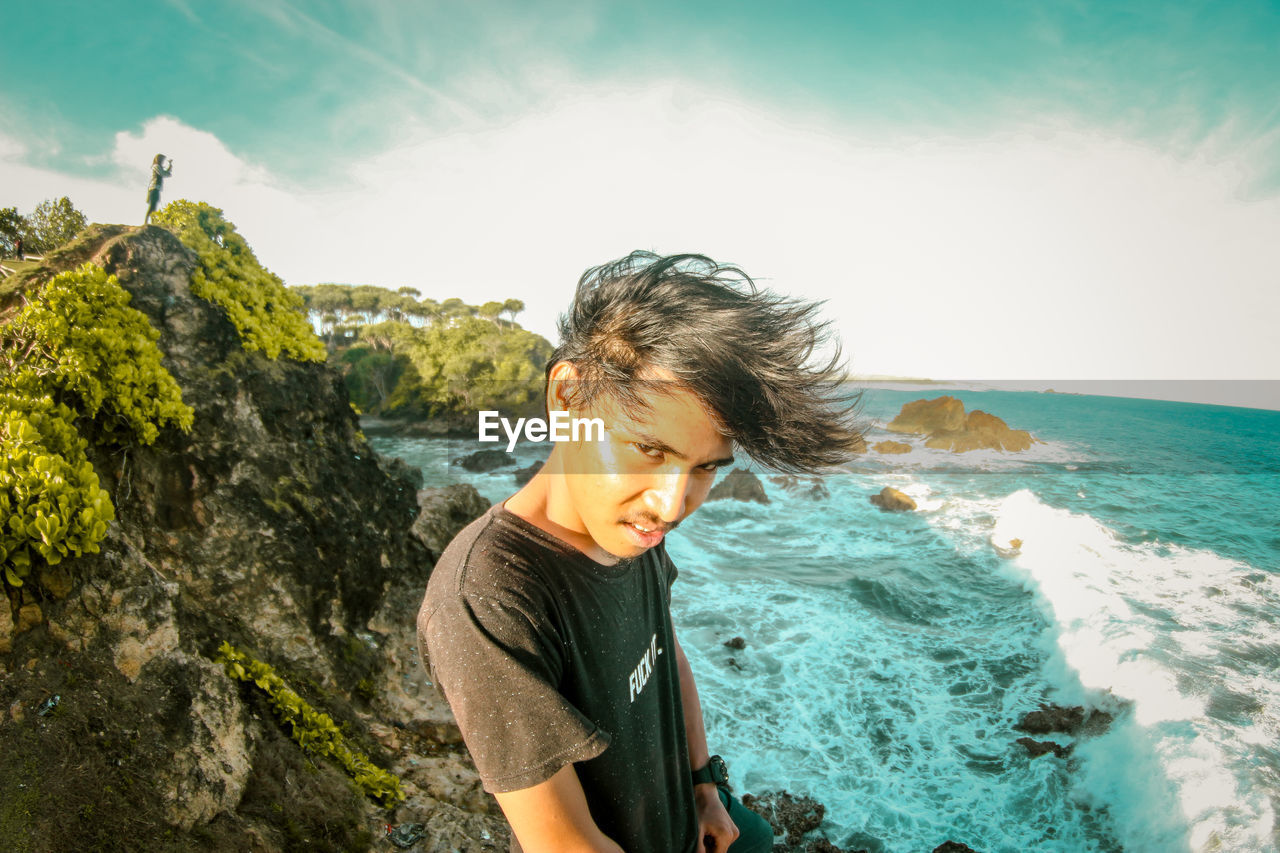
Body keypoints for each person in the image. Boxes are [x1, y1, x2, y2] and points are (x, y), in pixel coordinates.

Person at [418, 251, 865, 853]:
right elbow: (566, 843)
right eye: (648, 450)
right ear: (569, 396)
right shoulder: (487, 595)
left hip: (697, 819)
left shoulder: (630, 527)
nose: (672, 505)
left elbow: (665, 653)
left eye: (706, 468)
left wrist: (704, 786)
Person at [144, 154, 173, 225]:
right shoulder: (156, 166)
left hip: (156, 189)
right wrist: (169, 168)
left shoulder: (158, 167)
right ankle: (146, 222)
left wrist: (170, 166)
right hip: (154, 188)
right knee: (152, 206)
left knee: (154, 206)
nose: (163, 161)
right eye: (162, 160)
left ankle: (152, 222)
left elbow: (167, 174)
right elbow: (164, 174)